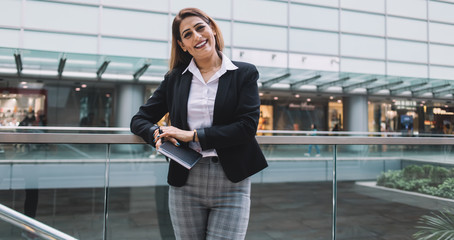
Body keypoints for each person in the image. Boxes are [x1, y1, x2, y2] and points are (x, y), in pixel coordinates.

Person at [130, 8, 268, 240]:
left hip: (231, 181)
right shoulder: (175, 79)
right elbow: (139, 120)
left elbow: (247, 126)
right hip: (185, 181)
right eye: (187, 34)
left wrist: (191, 135)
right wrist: (158, 133)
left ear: (212, 29)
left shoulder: (244, 73)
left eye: (200, 28)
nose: (196, 36)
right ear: (182, 45)